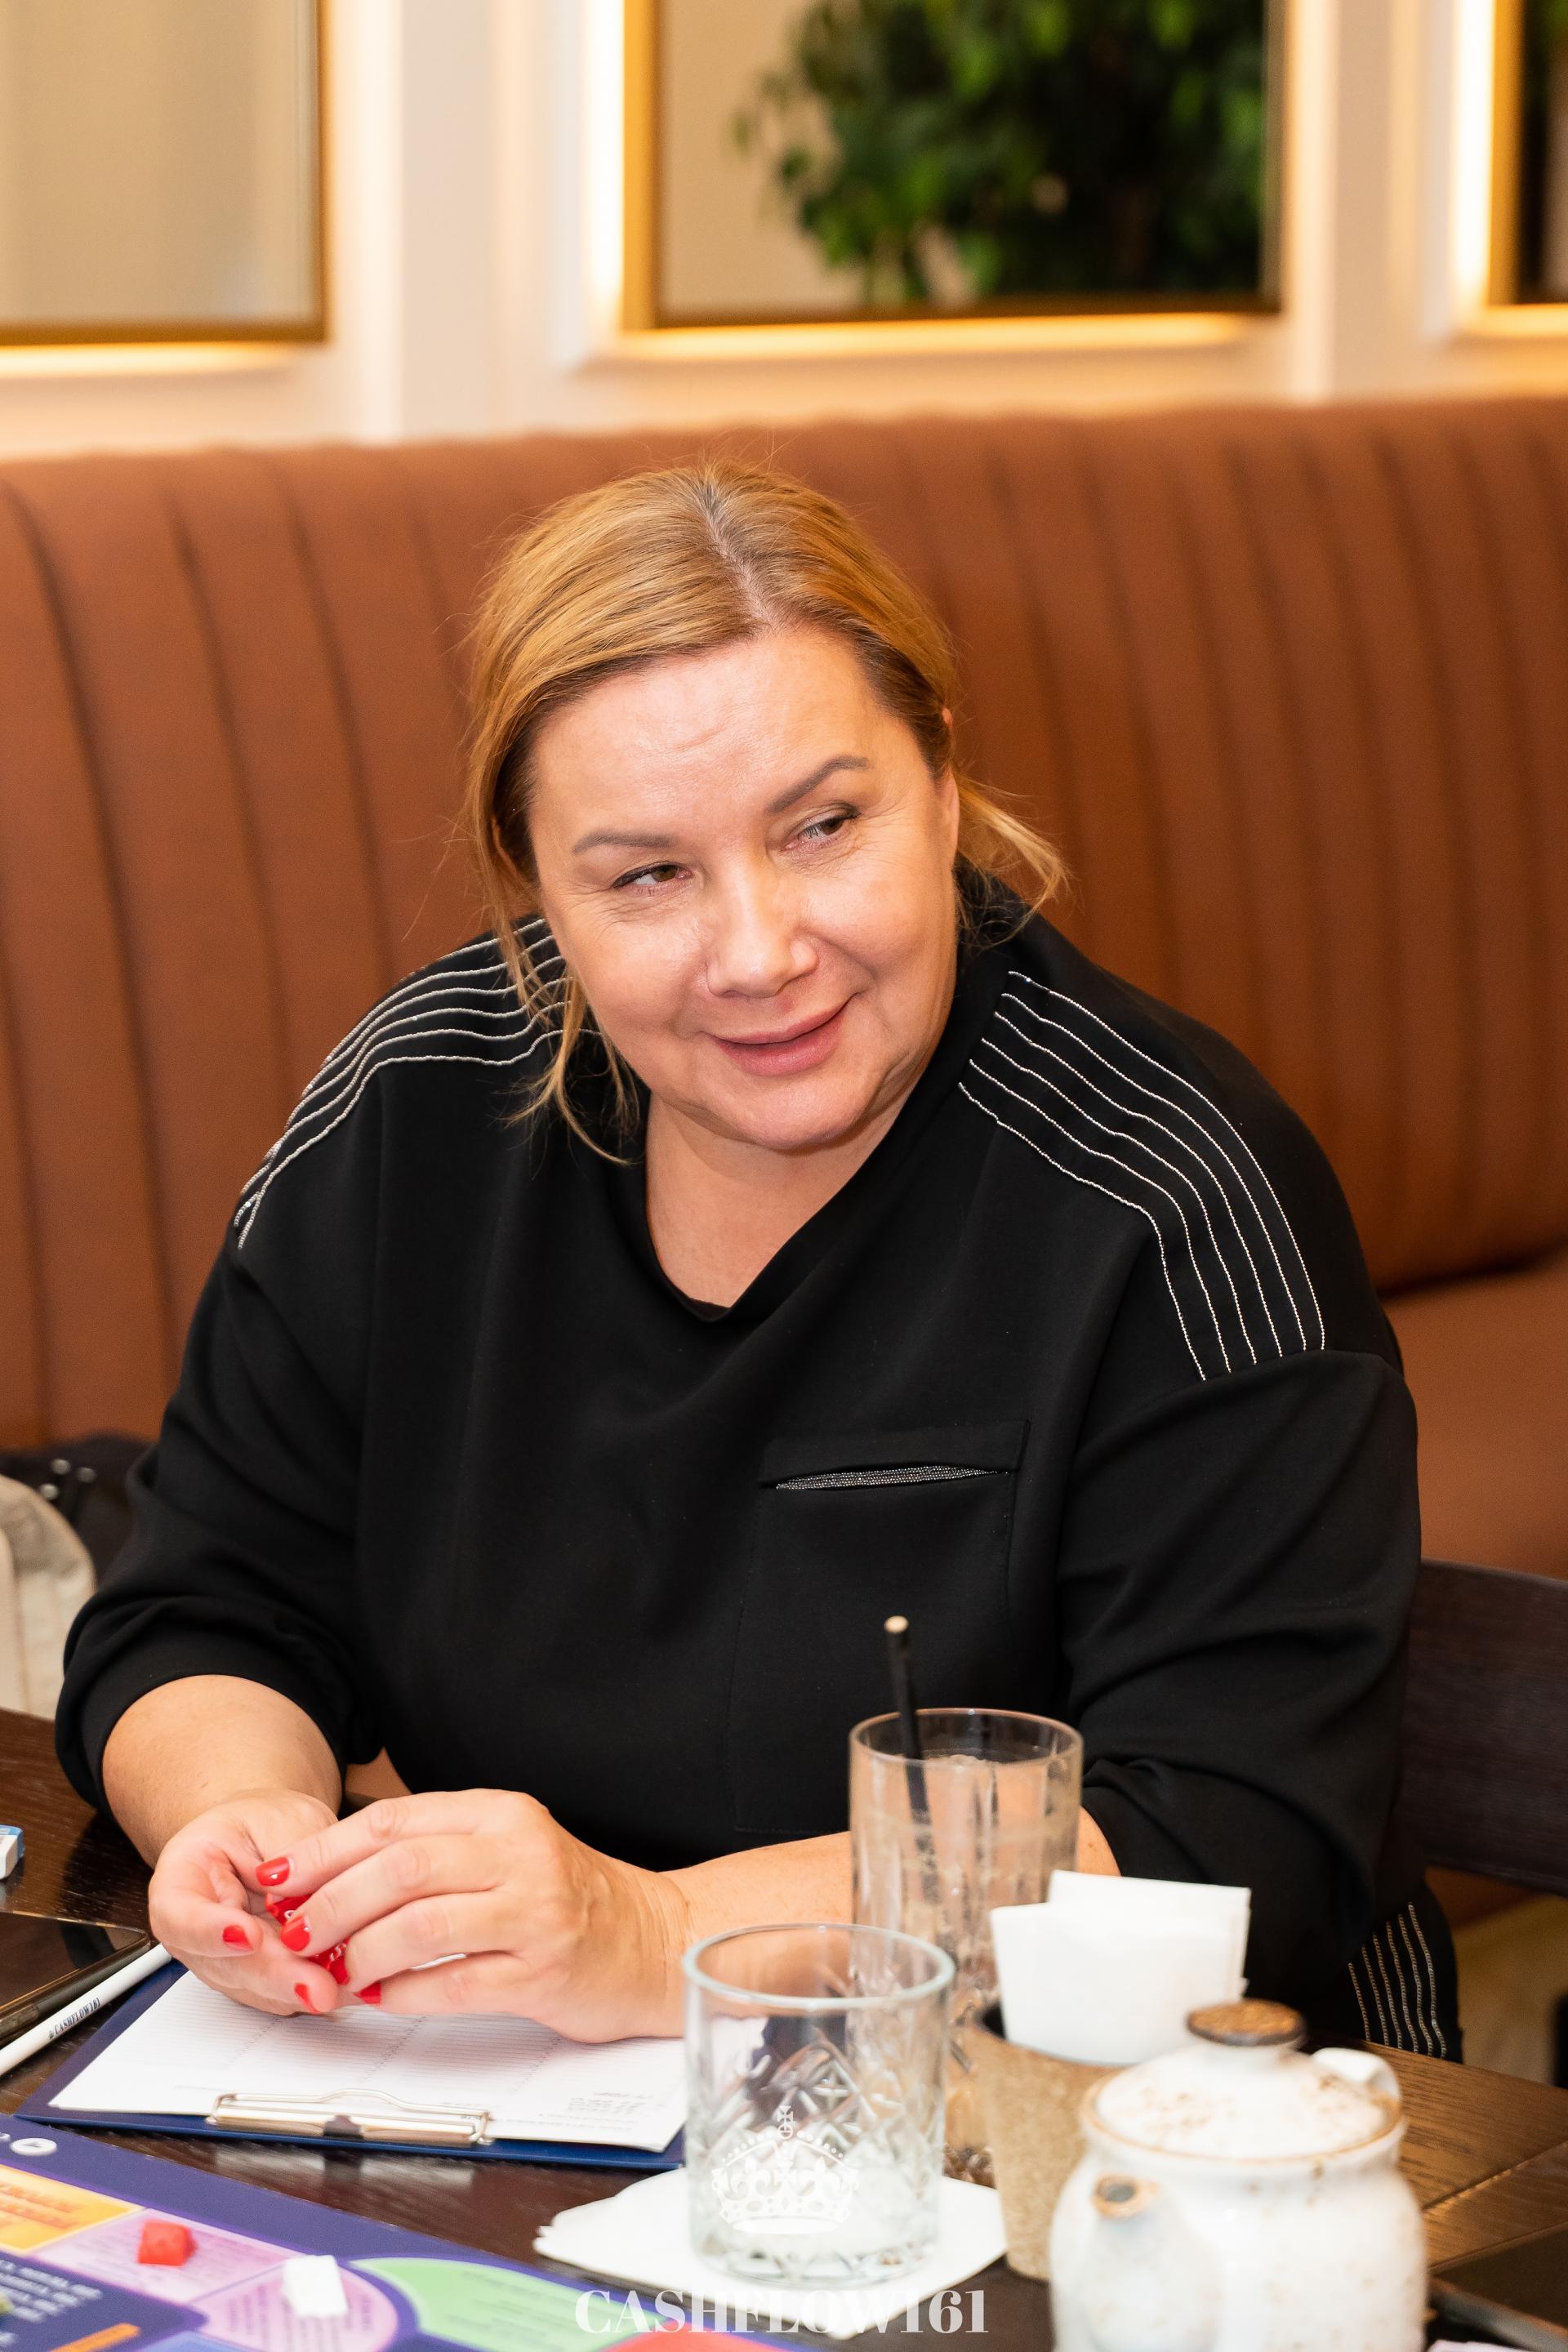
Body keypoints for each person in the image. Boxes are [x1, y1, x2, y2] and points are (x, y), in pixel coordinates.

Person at [56, 461, 1459, 2057]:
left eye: (825, 826)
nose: (760, 952)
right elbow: (202, 1610)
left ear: (944, 785)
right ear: (538, 889)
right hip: (543, 2101)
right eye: (647, 874)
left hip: (1123, 2120)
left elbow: (1230, 1843)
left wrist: (656, 1937)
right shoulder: (415, 1109)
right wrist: (244, 1836)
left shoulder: (1169, 1192)